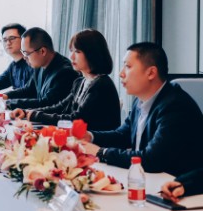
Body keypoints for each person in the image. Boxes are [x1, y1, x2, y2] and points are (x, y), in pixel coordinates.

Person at [82, 42, 203, 173]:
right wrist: (90, 136)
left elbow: (152, 159)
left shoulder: (176, 106)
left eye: (128, 66)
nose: (121, 73)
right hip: (149, 179)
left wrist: (101, 152)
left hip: (176, 183)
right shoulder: (140, 100)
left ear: (151, 73)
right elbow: (123, 135)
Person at [11, 29, 120, 130]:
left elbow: (75, 120)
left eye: (77, 51)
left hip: (95, 142)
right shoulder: (80, 82)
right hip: (78, 139)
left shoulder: (101, 84)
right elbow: (60, 107)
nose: (71, 57)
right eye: (71, 51)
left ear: (92, 54)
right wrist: (27, 112)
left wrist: (37, 115)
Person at [3, 27, 78, 110]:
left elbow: (46, 103)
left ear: (43, 51)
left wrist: (9, 103)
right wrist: (4, 96)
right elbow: (28, 90)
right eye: (23, 52)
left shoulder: (65, 73)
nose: (24, 58)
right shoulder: (40, 65)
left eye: (26, 53)